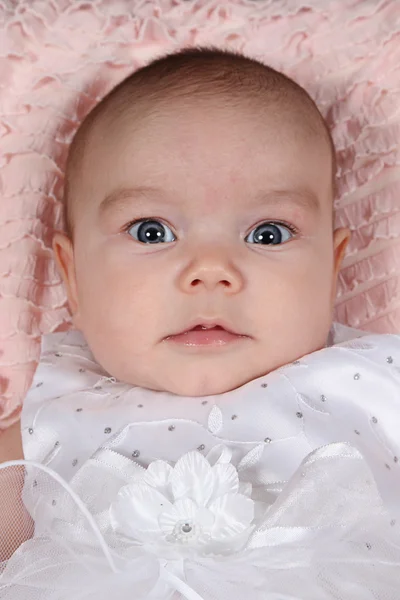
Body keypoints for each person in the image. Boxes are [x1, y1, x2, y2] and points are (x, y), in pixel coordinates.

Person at [1, 47, 400, 599]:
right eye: (150, 231)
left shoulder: (373, 382)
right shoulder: (51, 407)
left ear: (332, 271)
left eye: (269, 234)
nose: (211, 271)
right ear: (73, 276)